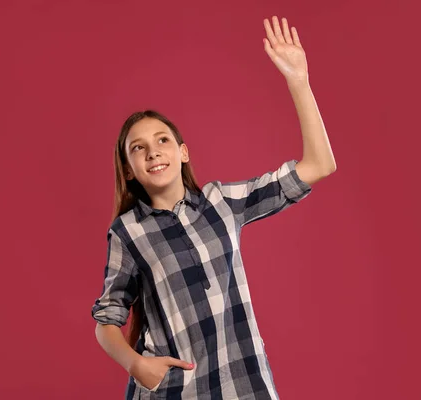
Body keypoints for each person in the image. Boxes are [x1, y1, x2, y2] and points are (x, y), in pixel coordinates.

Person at [91, 15, 337, 400]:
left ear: (183, 152)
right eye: (138, 148)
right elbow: (106, 321)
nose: (153, 151)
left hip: (245, 384)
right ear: (129, 169)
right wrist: (138, 366)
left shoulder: (222, 203)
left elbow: (319, 165)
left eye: (162, 140)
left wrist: (299, 81)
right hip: (177, 392)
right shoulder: (128, 231)